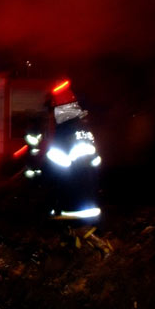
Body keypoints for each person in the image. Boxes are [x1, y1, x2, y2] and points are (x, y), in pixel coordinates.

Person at [42, 91, 106, 252]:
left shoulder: (63, 135)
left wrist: (43, 180)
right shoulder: (85, 132)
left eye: (53, 110)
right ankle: (76, 252)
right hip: (89, 193)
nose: (51, 115)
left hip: (72, 195)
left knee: (70, 224)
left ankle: (103, 250)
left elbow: (55, 171)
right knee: (74, 226)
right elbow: (96, 161)